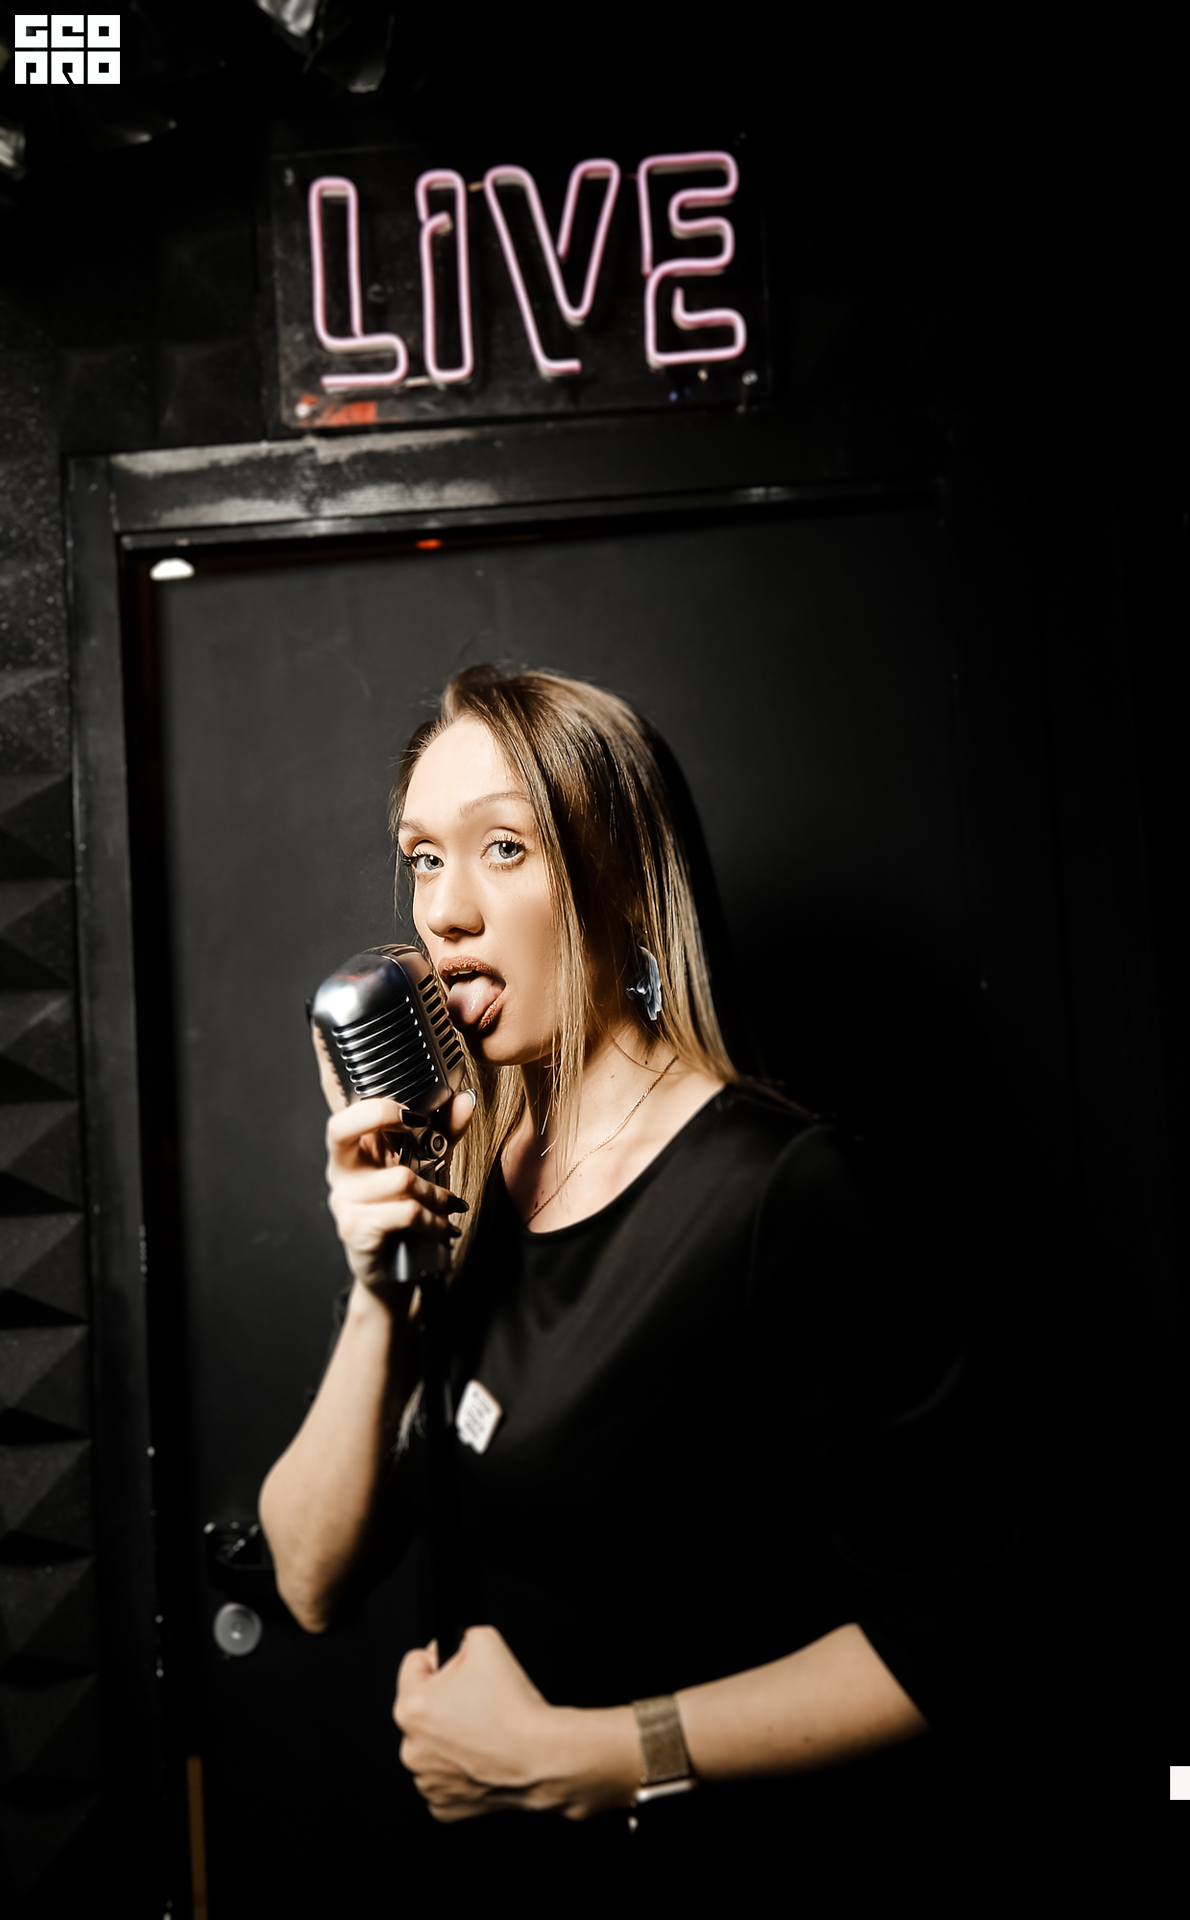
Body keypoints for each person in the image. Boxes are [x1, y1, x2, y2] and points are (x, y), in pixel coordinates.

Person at [258, 665, 1010, 1899]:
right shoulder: (469, 1180)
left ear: (617, 877)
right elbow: (308, 1578)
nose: (444, 910)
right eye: (422, 857)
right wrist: (382, 1288)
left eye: (502, 847)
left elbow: (967, 1640)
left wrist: (594, 1760)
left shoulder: (777, 1192)